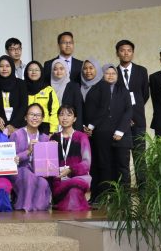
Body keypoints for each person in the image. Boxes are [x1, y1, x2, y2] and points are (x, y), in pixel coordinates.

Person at [84, 64, 132, 203]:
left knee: (122, 167)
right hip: (101, 134)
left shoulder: (123, 90)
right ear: (102, 75)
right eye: (107, 73)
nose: (110, 75)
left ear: (117, 76)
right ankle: (103, 197)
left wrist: (120, 130)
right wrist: (90, 126)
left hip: (121, 135)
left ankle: (123, 199)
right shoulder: (95, 90)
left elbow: (128, 111)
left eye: (113, 73)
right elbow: (92, 111)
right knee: (103, 166)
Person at [116, 40, 150, 186]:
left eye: (129, 50)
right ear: (117, 53)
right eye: (122, 50)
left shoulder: (141, 71)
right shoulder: (113, 72)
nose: (126, 53)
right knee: (122, 159)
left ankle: (143, 190)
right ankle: (125, 192)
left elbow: (145, 94)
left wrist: (133, 113)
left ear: (133, 53)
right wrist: (125, 117)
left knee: (140, 157)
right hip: (120, 123)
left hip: (138, 120)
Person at [48, 105, 92, 212]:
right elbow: (48, 164)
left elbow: (87, 163)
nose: (64, 118)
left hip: (78, 177)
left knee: (74, 190)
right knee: (71, 193)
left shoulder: (81, 137)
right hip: (59, 179)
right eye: (61, 114)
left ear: (75, 118)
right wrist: (50, 149)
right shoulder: (53, 138)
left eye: (69, 115)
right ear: (58, 117)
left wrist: (71, 169)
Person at [10, 104, 51, 212]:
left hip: (37, 173)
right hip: (19, 171)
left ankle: (36, 207)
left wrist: (52, 149)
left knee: (43, 182)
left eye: (38, 115)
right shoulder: (16, 135)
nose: (35, 117)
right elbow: (10, 159)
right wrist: (28, 151)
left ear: (42, 118)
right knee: (27, 175)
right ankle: (25, 205)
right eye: (32, 114)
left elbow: (47, 166)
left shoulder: (45, 138)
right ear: (25, 117)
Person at [0, 55, 27, 134]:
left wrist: (12, 125)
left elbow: (23, 105)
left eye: (7, 66)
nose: (4, 69)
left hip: (18, 126)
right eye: (1, 66)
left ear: (12, 67)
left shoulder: (21, 83)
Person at [24, 61, 59, 135]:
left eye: (37, 70)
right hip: (25, 126)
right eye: (30, 70)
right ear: (26, 72)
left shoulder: (48, 90)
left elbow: (54, 111)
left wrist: (52, 131)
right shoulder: (21, 88)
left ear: (41, 72)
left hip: (45, 127)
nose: (34, 72)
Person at [50, 60, 85, 130]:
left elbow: (79, 108)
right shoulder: (48, 87)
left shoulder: (74, 86)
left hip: (70, 126)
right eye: (55, 69)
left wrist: (77, 129)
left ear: (66, 70)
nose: (58, 71)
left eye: (61, 69)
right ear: (52, 71)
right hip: (52, 126)